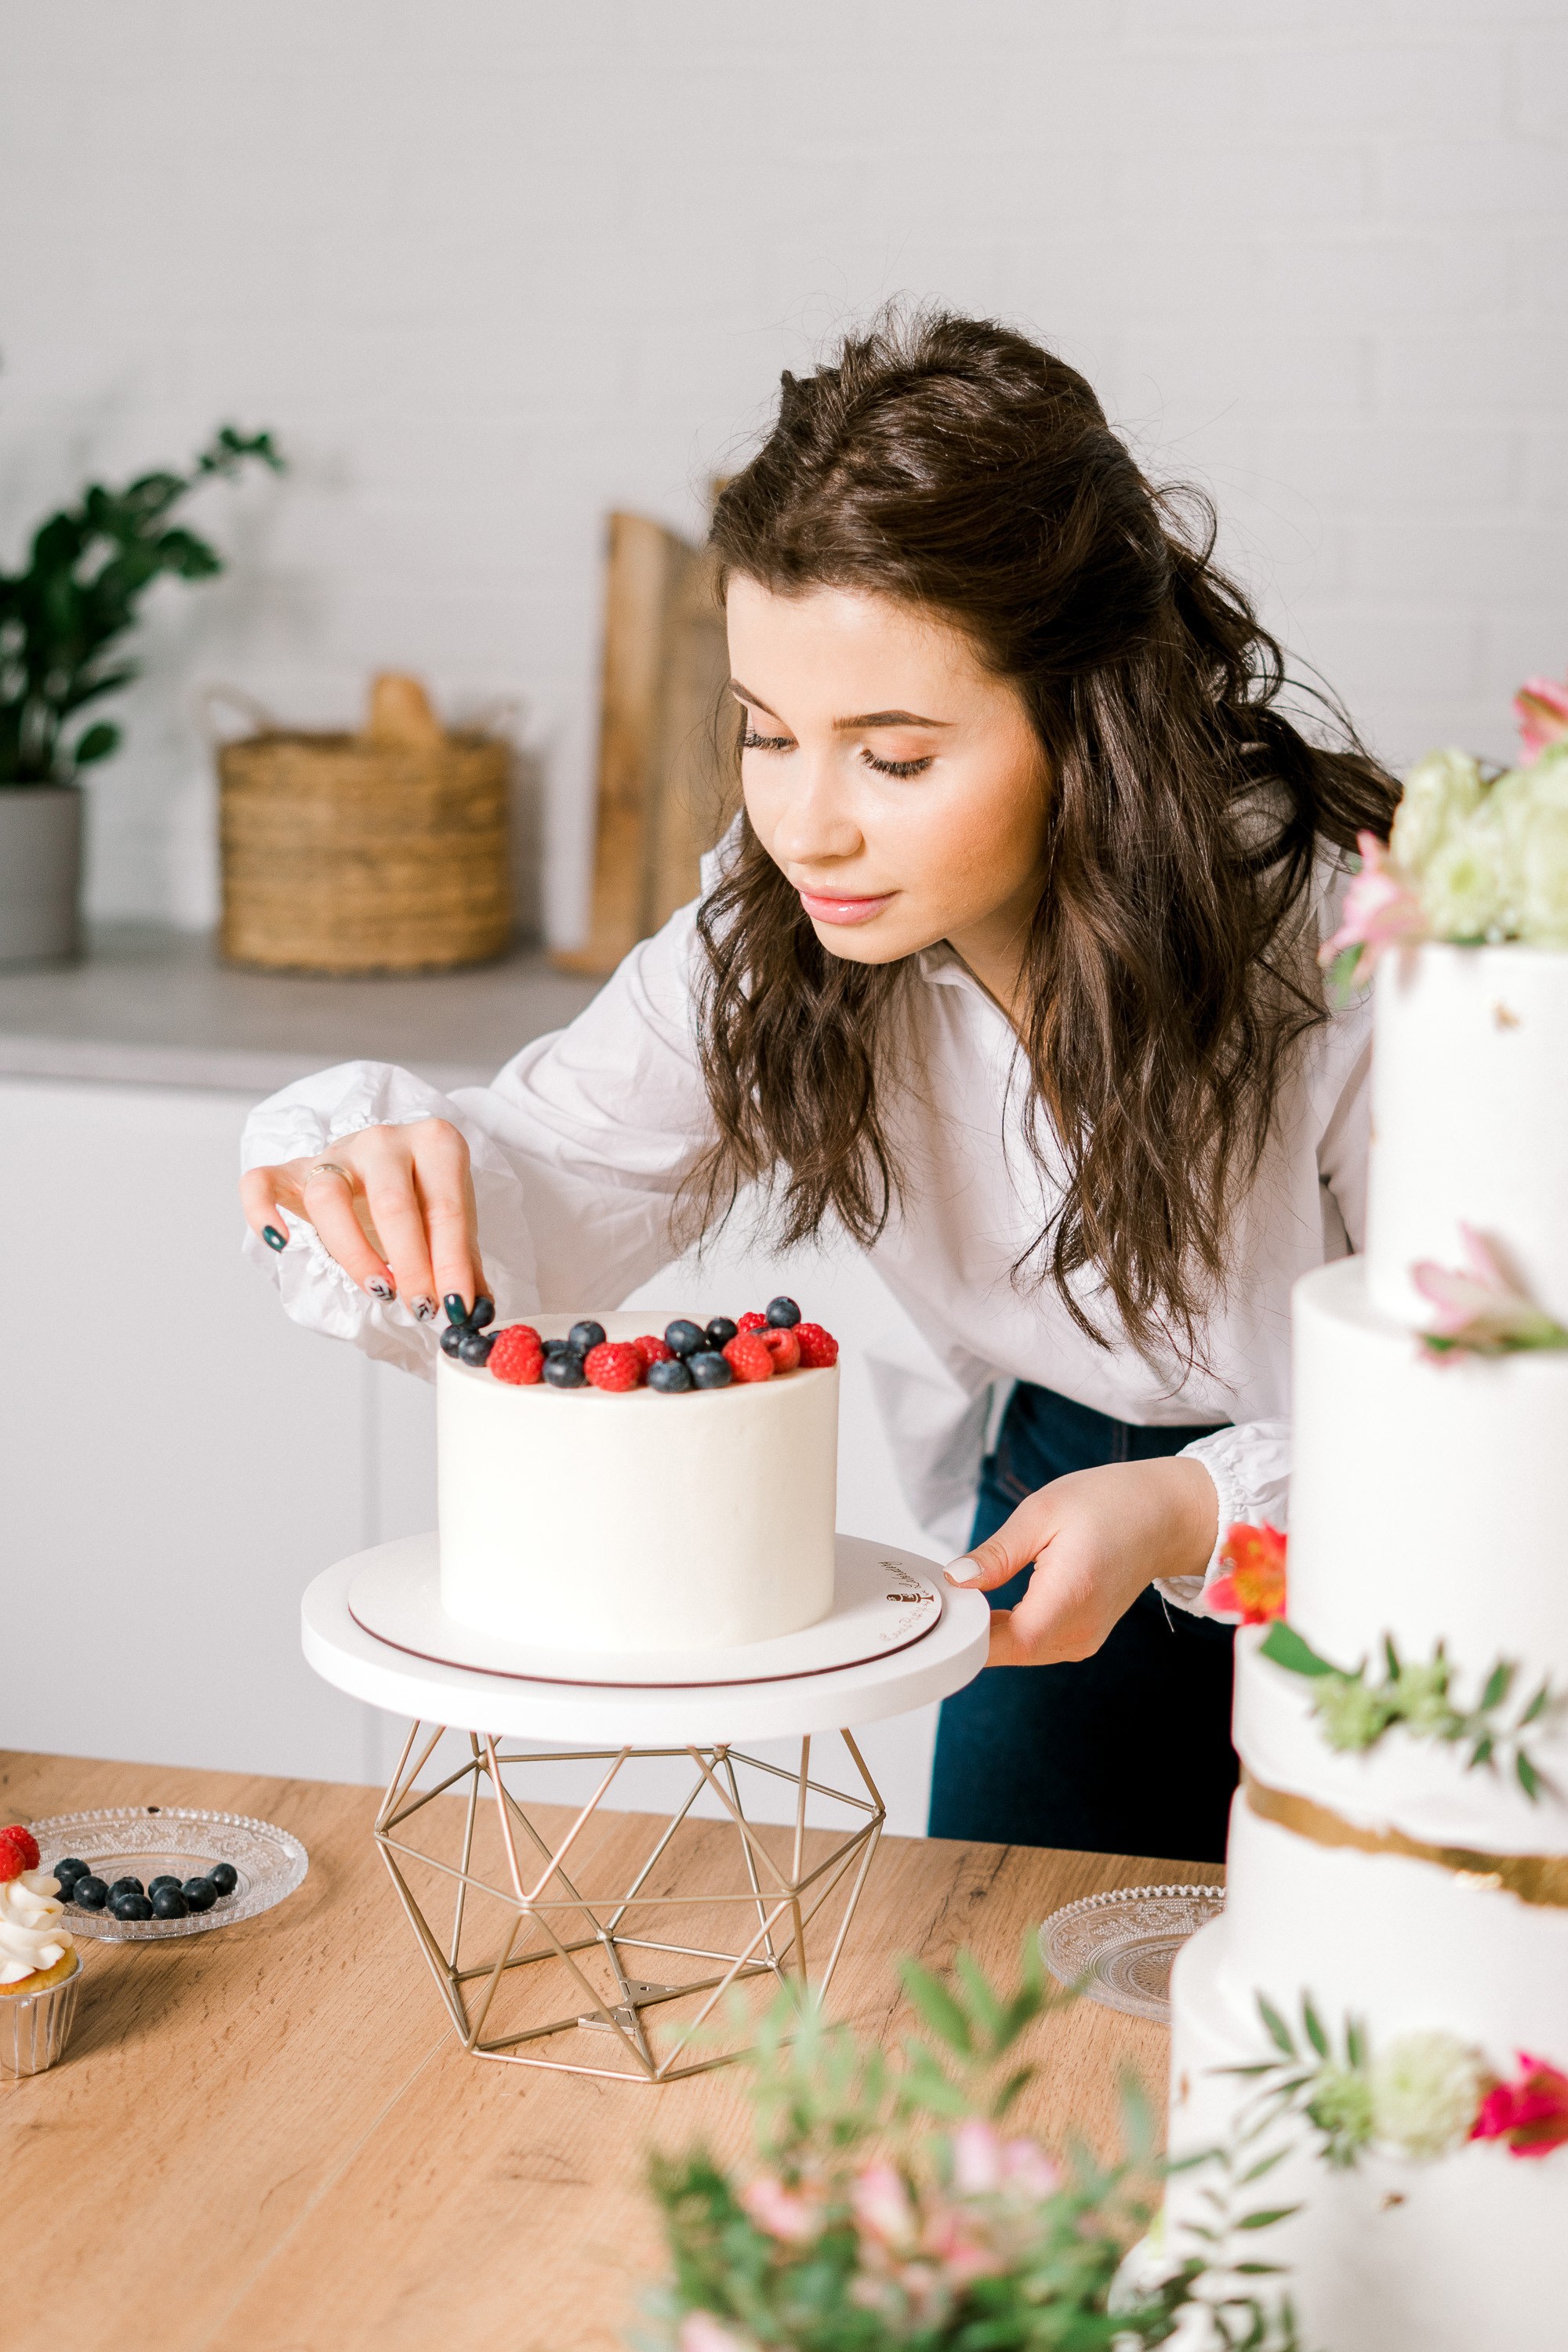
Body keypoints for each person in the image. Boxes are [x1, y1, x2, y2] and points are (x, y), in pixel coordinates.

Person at [240, 310, 1395, 1865]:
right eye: (766, 736)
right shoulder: (780, 935)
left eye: (893, 758)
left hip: (1398, 1536)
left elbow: (1505, 1403)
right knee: (1006, 2033)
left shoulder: (1350, 948)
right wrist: (359, 1169)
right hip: (1051, 1506)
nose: (806, 824)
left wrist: (1197, 1515)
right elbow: (543, 1190)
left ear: (1085, 723)